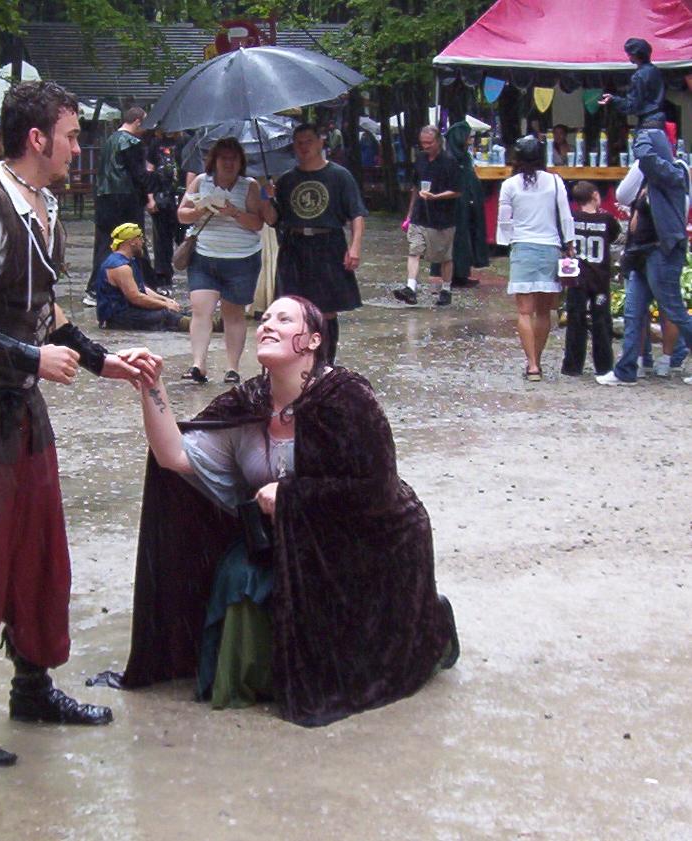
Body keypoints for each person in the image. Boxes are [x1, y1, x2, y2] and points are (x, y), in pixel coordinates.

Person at [0, 80, 159, 767]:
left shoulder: (40, 205)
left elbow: (43, 309)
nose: (78, 148)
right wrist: (29, 358)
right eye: (71, 136)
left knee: (40, 550)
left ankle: (33, 686)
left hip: (17, 401)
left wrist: (104, 362)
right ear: (38, 139)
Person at [111, 295, 458, 726]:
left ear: (313, 340)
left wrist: (292, 495)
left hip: (371, 541)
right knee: (237, 576)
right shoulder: (249, 402)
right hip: (291, 539)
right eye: (266, 318)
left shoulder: (348, 398)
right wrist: (151, 386)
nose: (267, 325)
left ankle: (427, 621)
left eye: (284, 318)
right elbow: (174, 457)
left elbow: (375, 490)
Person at [268, 123, 367, 364]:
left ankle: (325, 363)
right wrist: (266, 197)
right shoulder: (286, 180)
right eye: (299, 143)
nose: (304, 147)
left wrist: (355, 247)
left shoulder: (339, 176)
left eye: (308, 142)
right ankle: (298, 360)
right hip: (294, 245)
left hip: (328, 244)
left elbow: (356, 214)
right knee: (293, 308)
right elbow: (274, 219)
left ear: (321, 142)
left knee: (326, 309)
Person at [597, 130, 691, 385]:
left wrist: (642, 141)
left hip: (662, 253)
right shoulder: (646, 178)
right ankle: (626, 370)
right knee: (633, 312)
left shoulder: (674, 173)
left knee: (674, 310)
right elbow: (623, 195)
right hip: (640, 253)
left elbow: (649, 160)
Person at [177, 137, 265, 384]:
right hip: (204, 256)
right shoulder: (200, 182)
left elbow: (257, 223)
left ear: (241, 162)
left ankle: (232, 368)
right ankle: (198, 365)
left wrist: (234, 212)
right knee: (200, 310)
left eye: (233, 159)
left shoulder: (249, 186)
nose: (228, 163)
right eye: (223, 158)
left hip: (241, 258)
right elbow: (182, 214)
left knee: (233, 314)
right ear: (213, 161)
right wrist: (200, 210)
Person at [496, 135, 575, 381]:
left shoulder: (510, 185)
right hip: (550, 248)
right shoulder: (555, 182)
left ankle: (531, 365)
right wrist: (569, 244)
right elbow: (565, 215)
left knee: (524, 312)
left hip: (523, 247)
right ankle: (537, 359)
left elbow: (504, 221)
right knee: (543, 312)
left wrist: (507, 242)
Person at [85, 106, 162, 304]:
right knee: (133, 240)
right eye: (144, 123)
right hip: (126, 197)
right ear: (137, 121)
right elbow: (139, 175)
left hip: (104, 196)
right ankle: (144, 284)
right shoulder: (132, 143)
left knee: (105, 242)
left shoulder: (109, 140)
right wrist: (156, 184)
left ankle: (95, 288)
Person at [394, 125, 460, 307]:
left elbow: (457, 191)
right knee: (414, 250)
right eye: (423, 143)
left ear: (438, 141)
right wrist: (409, 214)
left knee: (445, 256)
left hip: (443, 217)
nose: (426, 146)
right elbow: (415, 187)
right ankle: (410, 288)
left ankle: (446, 289)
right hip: (420, 214)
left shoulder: (450, 162)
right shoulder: (421, 159)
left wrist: (436, 197)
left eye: (429, 143)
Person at [560, 181, 621, 376]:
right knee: (601, 322)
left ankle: (572, 366)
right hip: (599, 278)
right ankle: (604, 366)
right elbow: (614, 236)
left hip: (576, 277)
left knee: (575, 320)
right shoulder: (607, 219)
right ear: (595, 195)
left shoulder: (572, 218)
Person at [427, 121, 489, 288]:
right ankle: (453, 276)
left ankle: (462, 273)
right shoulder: (448, 158)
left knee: (464, 238)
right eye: (468, 137)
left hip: (464, 204)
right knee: (455, 240)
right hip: (452, 206)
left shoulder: (463, 157)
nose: (470, 140)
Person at [95, 222, 188, 331]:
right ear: (132, 242)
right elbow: (136, 298)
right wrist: (165, 305)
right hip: (118, 317)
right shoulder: (120, 266)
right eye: (140, 239)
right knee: (168, 316)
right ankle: (201, 326)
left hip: (130, 311)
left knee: (179, 312)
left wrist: (166, 300)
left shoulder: (129, 260)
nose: (142, 242)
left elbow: (142, 288)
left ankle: (197, 322)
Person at [146, 130, 185, 290]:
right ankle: (163, 279)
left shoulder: (185, 142)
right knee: (161, 242)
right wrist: (150, 197)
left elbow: (192, 170)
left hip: (181, 198)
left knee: (184, 237)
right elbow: (149, 169)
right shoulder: (155, 143)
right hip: (161, 198)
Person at [599, 38, 665, 130]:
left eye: (629, 54)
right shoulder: (655, 70)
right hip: (659, 119)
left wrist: (613, 100)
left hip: (647, 122)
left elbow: (632, 105)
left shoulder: (639, 76)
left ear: (635, 55)